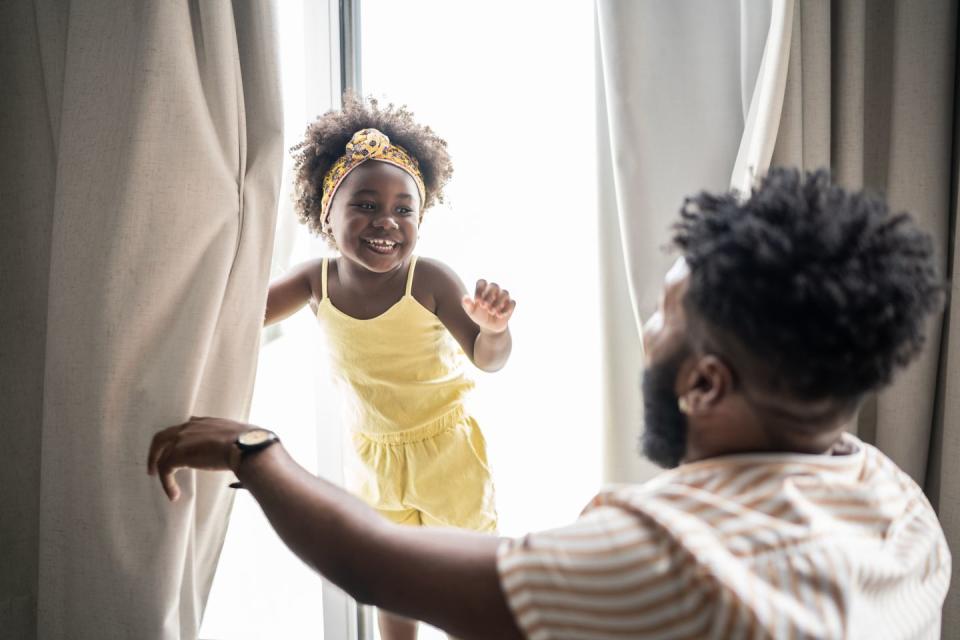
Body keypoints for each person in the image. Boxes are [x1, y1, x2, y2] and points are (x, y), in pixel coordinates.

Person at [149, 168, 951, 639]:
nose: (648, 330)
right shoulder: (899, 503)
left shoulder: (663, 559)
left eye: (663, 316)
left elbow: (372, 564)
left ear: (704, 384)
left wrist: (253, 449)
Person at [262, 95, 515, 638]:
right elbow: (241, 314)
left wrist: (495, 331)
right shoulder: (316, 281)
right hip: (373, 458)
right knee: (388, 582)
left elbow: (487, 359)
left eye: (405, 209)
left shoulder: (428, 280)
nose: (388, 222)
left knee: (467, 587)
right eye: (366, 205)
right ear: (326, 213)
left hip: (448, 454)